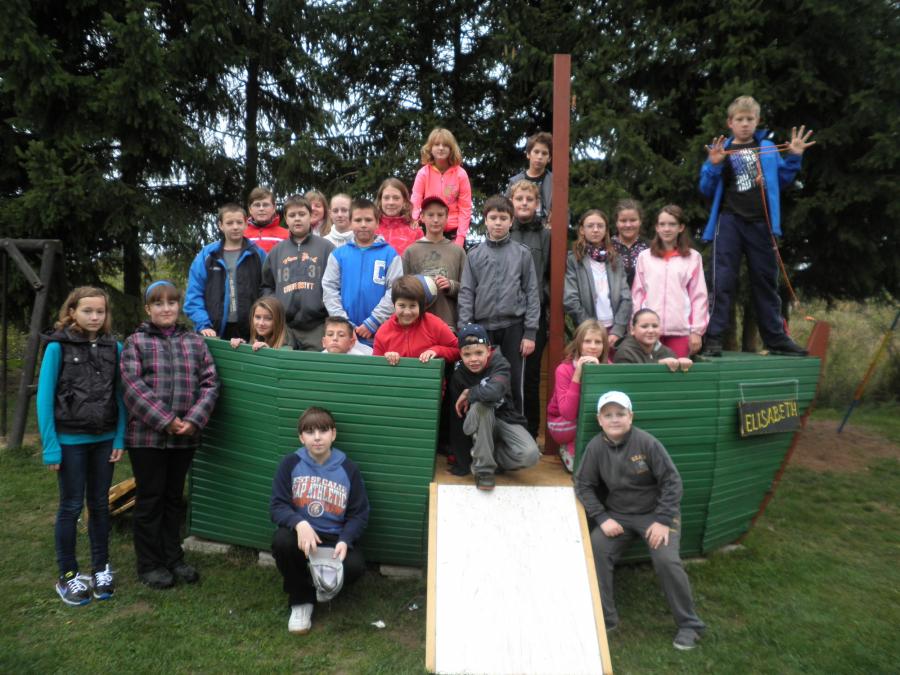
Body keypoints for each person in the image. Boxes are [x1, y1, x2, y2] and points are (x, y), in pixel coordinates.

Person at [575, 391, 706, 650]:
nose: (614, 419)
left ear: (631, 416)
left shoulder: (647, 443)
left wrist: (663, 520)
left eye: (620, 413)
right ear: (599, 420)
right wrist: (602, 517)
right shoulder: (595, 447)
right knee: (596, 549)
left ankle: (690, 625)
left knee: (666, 560)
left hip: (656, 515)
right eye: (608, 415)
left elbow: (672, 482)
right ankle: (606, 619)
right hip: (618, 516)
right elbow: (583, 484)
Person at [120, 281, 220, 589]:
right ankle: (150, 563)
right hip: (146, 438)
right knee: (151, 498)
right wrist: (166, 420)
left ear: (179, 307)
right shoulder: (136, 342)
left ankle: (173, 557)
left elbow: (210, 384)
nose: (166, 309)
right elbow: (132, 386)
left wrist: (193, 420)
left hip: (185, 436)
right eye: (158, 303)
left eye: (172, 303)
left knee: (174, 498)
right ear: (148, 309)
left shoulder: (195, 342)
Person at [699, 95, 815, 357]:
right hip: (729, 221)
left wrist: (794, 156)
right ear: (730, 122)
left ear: (757, 121)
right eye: (739, 119)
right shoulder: (722, 149)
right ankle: (713, 338)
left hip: (760, 224)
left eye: (749, 119)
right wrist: (713, 165)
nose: (745, 124)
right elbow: (706, 188)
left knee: (765, 281)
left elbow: (782, 179)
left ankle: (776, 339)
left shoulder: (767, 147)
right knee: (722, 281)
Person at [37, 287, 126, 605]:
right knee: (71, 506)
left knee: (100, 505)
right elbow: (44, 398)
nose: (94, 316)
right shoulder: (57, 348)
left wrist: (119, 437)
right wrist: (51, 446)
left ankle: (101, 568)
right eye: (87, 310)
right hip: (70, 441)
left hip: (104, 440)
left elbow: (120, 396)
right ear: (72, 311)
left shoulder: (114, 348)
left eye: (100, 311)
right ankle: (68, 575)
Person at [269, 406, 369, 634]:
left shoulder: (348, 468)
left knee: (355, 566)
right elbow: (277, 506)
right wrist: (299, 523)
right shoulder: (290, 463)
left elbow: (359, 513)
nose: (316, 437)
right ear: (301, 437)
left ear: (333, 434)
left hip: (334, 538)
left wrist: (345, 539)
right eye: (309, 431)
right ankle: (301, 601)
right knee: (282, 541)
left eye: (323, 431)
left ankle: (320, 584)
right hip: (303, 537)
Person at [458, 195, 539, 415]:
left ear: (511, 221)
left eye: (503, 218)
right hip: (483, 329)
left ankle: (516, 425)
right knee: (483, 380)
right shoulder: (474, 254)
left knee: (514, 381)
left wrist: (530, 333)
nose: (498, 223)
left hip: (514, 327)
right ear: (485, 220)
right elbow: (466, 293)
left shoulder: (522, 253)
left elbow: (532, 292)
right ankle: (484, 428)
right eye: (493, 218)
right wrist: (465, 329)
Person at [447, 324, 540, 490]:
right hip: (476, 423)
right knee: (481, 406)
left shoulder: (500, 364)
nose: (473, 359)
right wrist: (461, 461)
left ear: (488, 350)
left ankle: (488, 456)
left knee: (530, 454)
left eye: (479, 353)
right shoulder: (459, 375)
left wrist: (470, 392)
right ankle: (484, 471)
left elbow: (494, 392)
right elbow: (457, 417)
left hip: (504, 418)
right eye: (467, 354)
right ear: (460, 354)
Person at [322, 198, 403, 348]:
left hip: (380, 333)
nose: (363, 224)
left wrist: (374, 321)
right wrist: (345, 324)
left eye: (368, 220)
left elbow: (395, 290)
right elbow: (329, 289)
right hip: (345, 335)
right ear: (350, 223)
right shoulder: (338, 255)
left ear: (377, 223)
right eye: (358, 220)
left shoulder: (390, 255)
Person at [631, 205, 708, 358]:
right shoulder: (644, 257)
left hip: (680, 331)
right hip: (648, 330)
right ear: (657, 227)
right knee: (650, 371)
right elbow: (637, 295)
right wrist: (634, 326)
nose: (667, 229)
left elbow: (699, 297)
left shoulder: (693, 257)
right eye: (662, 224)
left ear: (681, 227)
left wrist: (697, 331)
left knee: (677, 371)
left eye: (672, 224)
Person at [261, 194, 335, 351]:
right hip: (285, 327)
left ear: (310, 216)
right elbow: (267, 285)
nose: (297, 219)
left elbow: (336, 284)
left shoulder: (326, 248)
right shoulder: (276, 252)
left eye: (302, 214)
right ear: (286, 219)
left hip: (317, 326)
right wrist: (276, 308)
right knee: (284, 361)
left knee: (312, 364)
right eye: (292, 215)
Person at [184, 202, 265, 341]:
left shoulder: (258, 254)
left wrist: (263, 322)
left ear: (246, 224)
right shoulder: (207, 255)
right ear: (221, 225)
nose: (235, 227)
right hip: (213, 331)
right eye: (229, 223)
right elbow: (194, 294)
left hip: (252, 331)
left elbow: (267, 290)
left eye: (239, 222)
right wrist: (204, 325)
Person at [508, 179, 550, 436]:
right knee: (508, 374)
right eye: (519, 199)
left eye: (529, 199)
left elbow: (550, 275)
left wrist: (541, 299)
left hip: (535, 315)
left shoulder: (545, 235)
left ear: (537, 203)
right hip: (507, 315)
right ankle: (508, 431)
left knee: (532, 376)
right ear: (511, 202)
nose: (524, 203)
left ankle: (531, 432)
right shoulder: (504, 230)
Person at [564, 209, 632, 351]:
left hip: (614, 330)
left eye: (600, 226)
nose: (595, 230)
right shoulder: (574, 260)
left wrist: (618, 329)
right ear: (582, 230)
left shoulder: (615, 258)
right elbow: (570, 299)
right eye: (590, 226)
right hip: (587, 329)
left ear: (606, 230)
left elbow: (626, 297)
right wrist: (590, 328)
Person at [546, 319, 609, 472]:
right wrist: (578, 374)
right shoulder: (564, 369)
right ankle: (570, 449)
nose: (593, 346)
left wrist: (598, 373)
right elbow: (567, 413)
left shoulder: (608, 366)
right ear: (578, 343)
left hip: (592, 420)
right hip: (563, 424)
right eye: (587, 341)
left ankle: (597, 452)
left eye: (598, 342)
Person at [401, 194, 466, 329]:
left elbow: (467, 291)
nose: (435, 220)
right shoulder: (410, 252)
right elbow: (401, 291)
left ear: (447, 218)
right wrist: (417, 288)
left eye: (440, 215)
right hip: (418, 326)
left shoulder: (458, 252)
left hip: (448, 325)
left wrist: (451, 285)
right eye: (430, 215)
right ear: (422, 217)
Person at [373, 275, 459, 365]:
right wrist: (385, 359)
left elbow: (459, 350)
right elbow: (375, 366)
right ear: (394, 304)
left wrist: (437, 351)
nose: (407, 312)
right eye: (402, 305)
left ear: (420, 306)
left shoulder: (434, 324)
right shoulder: (383, 332)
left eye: (412, 306)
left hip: (428, 374)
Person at [410, 127, 472, 246]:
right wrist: (414, 220)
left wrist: (460, 237)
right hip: (428, 230)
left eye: (445, 145)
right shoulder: (423, 173)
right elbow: (415, 200)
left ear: (451, 149)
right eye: (437, 144)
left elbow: (465, 208)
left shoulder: (460, 174)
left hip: (453, 232)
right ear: (430, 148)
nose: (441, 148)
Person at [613, 309, 693, 372]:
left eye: (655, 326)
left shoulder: (667, 352)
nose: (651, 330)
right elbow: (630, 381)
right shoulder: (624, 352)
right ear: (632, 330)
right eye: (644, 326)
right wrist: (658, 365)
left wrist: (681, 365)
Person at [505, 130, 553, 222]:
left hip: (547, 228)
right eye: (536, 152)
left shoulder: (555, 181)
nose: (540, 157)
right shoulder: (515, 181)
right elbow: (506, 210)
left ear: (549, 158)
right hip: (519, 227)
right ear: (528, 154)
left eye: (544, 153)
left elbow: (564, 211)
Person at [229, 296, 297, 350]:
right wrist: (242, 346)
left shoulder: (288, 342)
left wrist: (267, 352)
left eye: (268, 318)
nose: (261, 323)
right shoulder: (259, 335)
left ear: (278, 320)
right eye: (257, 317)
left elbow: (283, 361)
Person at [375, 178, 420, 255]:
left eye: (396, 198)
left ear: (404, 201)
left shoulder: (415, 231)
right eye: (386, 198)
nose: (391, 202)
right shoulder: (371, 229)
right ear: (380, 200)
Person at [611, 199, 649, 288]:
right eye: (623, 221)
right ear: (616, 222)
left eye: (633, 220)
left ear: (640, 221)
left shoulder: (651, 248)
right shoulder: (607, 247)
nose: (628, 225)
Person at [245, 186, 288, 253]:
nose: (261, 209)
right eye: (257, 205)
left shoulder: (286, 235)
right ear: (250, 209)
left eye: (265, 205)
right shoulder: (242, 235)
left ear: (274, 208)